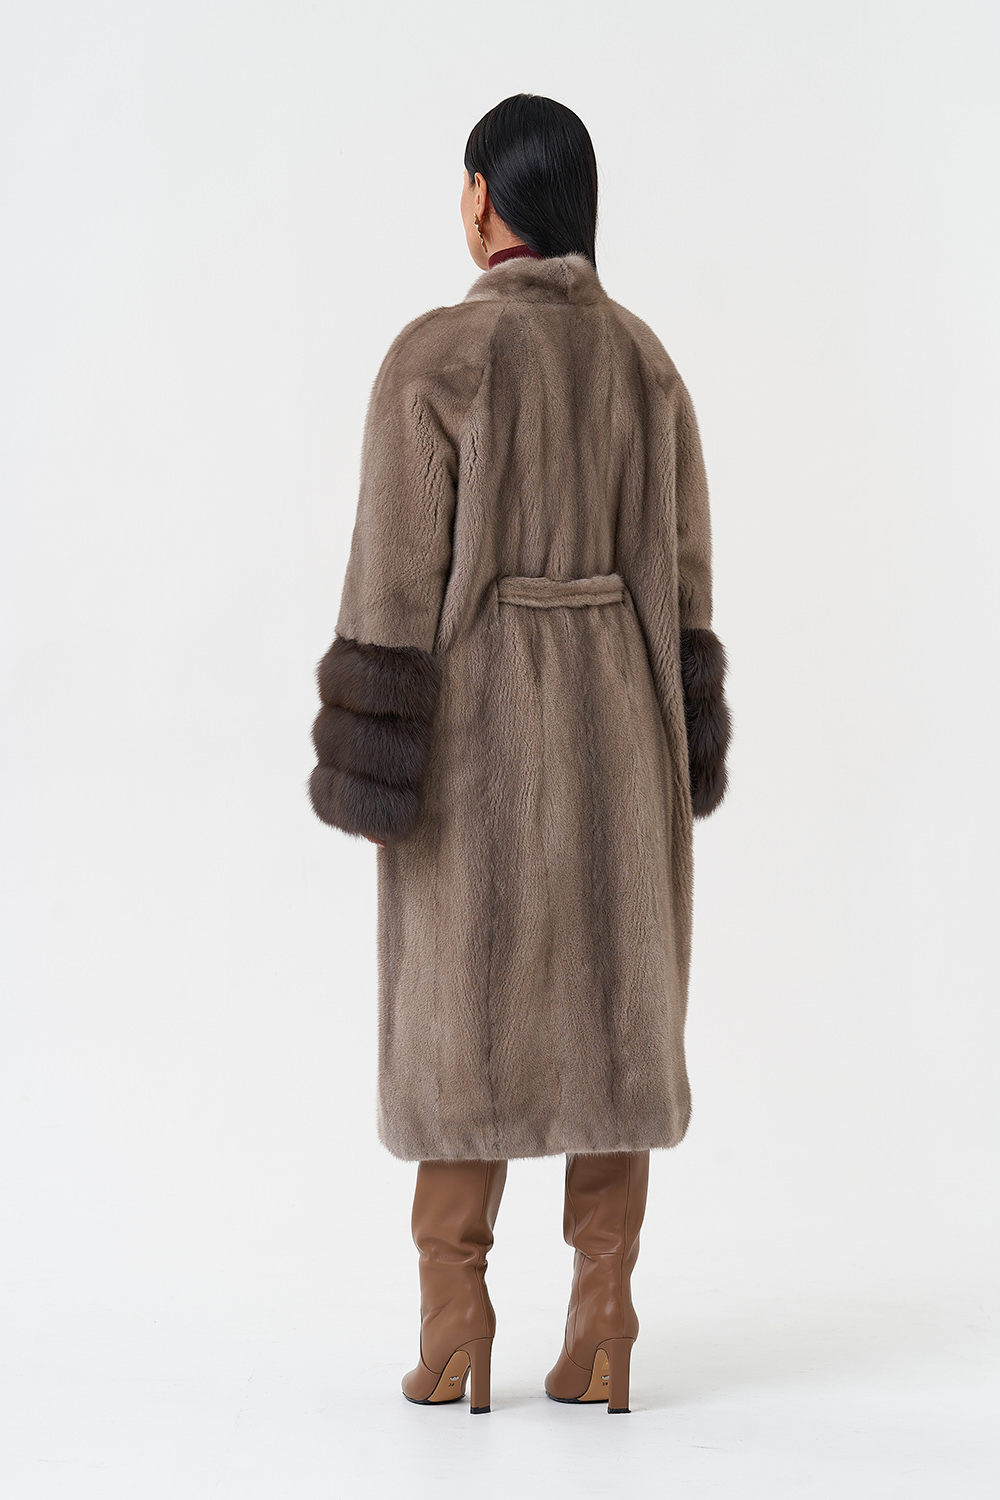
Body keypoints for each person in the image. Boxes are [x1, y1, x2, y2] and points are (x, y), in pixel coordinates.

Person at [307, 93, 731, 1415]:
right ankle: (604, 1324)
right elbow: (685, 585)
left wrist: (374, 768)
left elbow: (390, 586)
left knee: (460, 1025)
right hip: (621, 734)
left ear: (486, 198)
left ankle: (454, 1331)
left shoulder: (435, 362)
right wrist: (686, 741)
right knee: (616, 1015)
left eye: (465, 184)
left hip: (473, 753)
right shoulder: (646, 365)